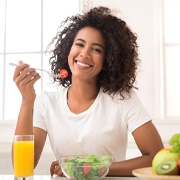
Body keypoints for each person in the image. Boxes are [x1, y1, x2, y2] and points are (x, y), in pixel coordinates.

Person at [12, 6, 164, 177]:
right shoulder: (47, 103)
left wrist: (89, 169)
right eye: (79, 44)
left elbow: (156, 157)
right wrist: (27, 100)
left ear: (108, 60)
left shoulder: (122, 98)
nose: (84, 54)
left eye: (97, 49)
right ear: (68, 50)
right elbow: (23, 166)